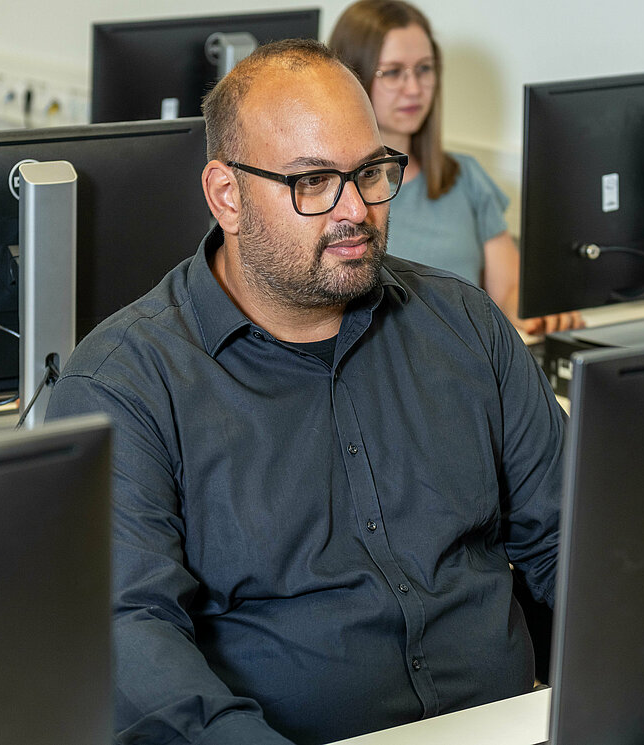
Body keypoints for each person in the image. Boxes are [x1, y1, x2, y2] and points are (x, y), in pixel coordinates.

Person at [45, 39, 567, 745]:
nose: (356, 209)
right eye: (313, 181)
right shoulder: (124, 384)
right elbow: (131, 639)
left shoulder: (464, 323)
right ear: (226, 196)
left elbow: (566, 540)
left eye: (372, 172)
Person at [330, 0, 583, 336]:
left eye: (424, 69)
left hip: (464, 367)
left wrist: (540, 312)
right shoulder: (335, 198)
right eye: (392, 72)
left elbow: (508, 293)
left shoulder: (466, 178)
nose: (414, 89)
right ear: (354, 77)